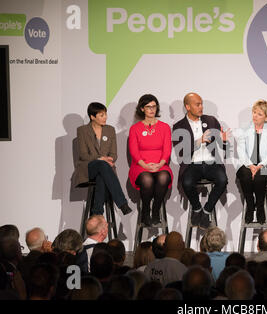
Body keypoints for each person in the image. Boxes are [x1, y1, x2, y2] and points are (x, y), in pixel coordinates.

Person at [172, 92, 230, 230]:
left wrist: (225, 141)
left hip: (211, 162)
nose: (201, 107)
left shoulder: (211, 120)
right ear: (187, 106)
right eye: (197, 104)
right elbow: (181, 152)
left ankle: (206, 211)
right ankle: (197, 208)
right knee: (186, 182)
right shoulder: (179, 126)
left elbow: (223, 146)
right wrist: (199, 141)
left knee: (222, 180)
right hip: (192, 164)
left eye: (201, 104)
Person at [73, 102, 132, 216]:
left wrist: (108, 159)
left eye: (105, 114)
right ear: (92, 117)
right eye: (101, 115)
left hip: (105, 169)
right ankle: (122, 203)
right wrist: (101, 158)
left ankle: (97, 213)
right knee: (101, 165)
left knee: (102, 175)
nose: (105, 117)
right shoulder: (82, 130)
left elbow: (114, 154)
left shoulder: (110, 130)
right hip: (88, 168)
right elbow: (83, 155)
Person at [128, 94, 173, 226]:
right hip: (140, 165)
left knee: (164, 177)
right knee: (147, 180)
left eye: (154, 106)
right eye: (148, 107)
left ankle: (156, 210)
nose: (152, 109)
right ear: (142, 109)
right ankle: (145, 211)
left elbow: (167, 150)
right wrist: (146, 166)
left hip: (161, 164)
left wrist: (160, 164)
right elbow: (134, 152)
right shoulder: (135, 129)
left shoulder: (164, 127)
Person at [235, 99, 267, 223]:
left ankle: (260, 207)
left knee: (260, 177)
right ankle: (250, 205)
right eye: (254, 112)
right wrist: (250, 165)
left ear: (266, 117)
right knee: (245, 175)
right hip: (247, 164)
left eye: (259, 114)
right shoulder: (244, 129)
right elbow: (241, 150)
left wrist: (259, 165)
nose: (255, 116)